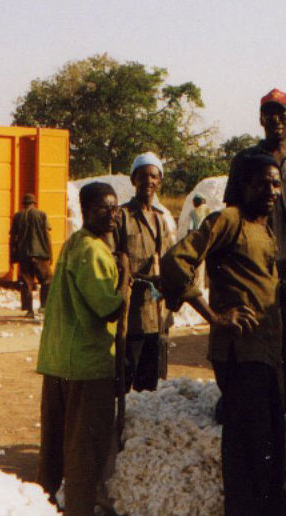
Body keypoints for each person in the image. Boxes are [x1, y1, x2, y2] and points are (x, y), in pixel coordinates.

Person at [162, 154, 286, 516]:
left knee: (271, 439)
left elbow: (269, 288)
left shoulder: (265, 229)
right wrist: (213, 315)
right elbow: (175, 261)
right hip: (239, 354)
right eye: (263, 184)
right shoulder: (228, 220)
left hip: (266, 351)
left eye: (276, 184)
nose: (273, 191)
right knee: (246, 449)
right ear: (244, 186)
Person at [223, 88, 286, 417]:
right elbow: (232, 214)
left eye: (282, 113)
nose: (276, 120)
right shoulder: (244, 161)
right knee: (252, 337)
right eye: (269, 114)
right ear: (260, 119)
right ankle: (244, 404)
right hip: (254, 266)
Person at [36, 181, 127, 514]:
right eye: (104, 207)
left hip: (59, 362)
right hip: (87, 366)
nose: (112, 214)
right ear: (86, 210)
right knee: (83, 455)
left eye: (115, 207)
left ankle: (38, 506)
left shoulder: (74, 243)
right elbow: (109, 307)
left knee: (52, 453)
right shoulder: (92, 250)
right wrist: (128, 282)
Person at [114, 152, 174, 392]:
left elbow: (169, 257)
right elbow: (115, 258)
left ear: (159, 181)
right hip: (129, 305)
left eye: (154, 176)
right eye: (143, 176)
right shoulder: (121, 216)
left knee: (150, 375)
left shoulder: (160, 219)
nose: (148, 181)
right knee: (124, 370)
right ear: (133, 180)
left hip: (154, 308)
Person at [10, 193, 53, 318]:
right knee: (47, 280)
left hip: (24, 254)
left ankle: (29, 310)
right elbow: (47, 236)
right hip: (41, 254)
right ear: (35, 203)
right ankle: (44, 306)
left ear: (23, 204)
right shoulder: (42, 215)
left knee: (26, 282)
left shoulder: (18, 216)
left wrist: (12, 256)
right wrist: (50, 253)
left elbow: (13, 238)